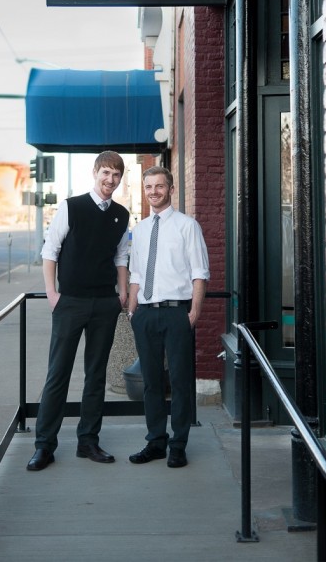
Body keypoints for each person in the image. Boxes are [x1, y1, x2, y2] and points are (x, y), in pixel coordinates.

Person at [26, 151, 129, 471]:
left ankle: (88, 441)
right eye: (106, 173)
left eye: (116, 175)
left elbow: (121, 257)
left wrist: (122, 293)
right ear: (95, 173)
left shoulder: (122, 215)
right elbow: (50, 251)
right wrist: (53, 294)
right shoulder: (71, 207)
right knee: (57, 375)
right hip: (69, 302)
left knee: (95, 376)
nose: (110, 180)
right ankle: (45, 445)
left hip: (104, 304)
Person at [127, 166, 209, 468]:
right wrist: (133, 310)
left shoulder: (188, 226)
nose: (153, 192)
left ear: (171, 189)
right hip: (145, 314)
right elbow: (136, 273)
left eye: (159, 186)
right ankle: (156, 441)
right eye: (149, 187)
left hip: (177, 313)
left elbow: (200, 272)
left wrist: (195, 312)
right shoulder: (142, 229)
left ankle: (178, 444)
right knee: (150, 383)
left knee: (180, 380)